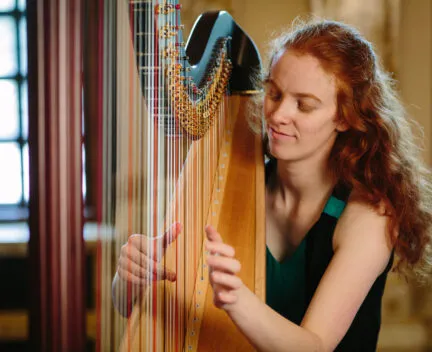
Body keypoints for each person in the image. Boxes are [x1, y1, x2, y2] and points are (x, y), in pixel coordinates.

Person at [113, 18, 432, 351]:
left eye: (304, 105)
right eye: (275, 93)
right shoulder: (239, 181)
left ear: (344, 117)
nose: (279, 114)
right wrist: (128, 279)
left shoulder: (368, 215)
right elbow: (130, 310)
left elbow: (315, 345)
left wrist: (237, 299)